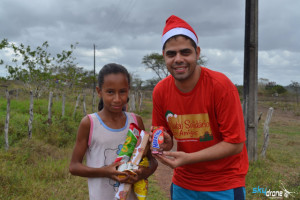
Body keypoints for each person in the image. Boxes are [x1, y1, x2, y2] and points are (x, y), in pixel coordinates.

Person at [151, 15, 249, 200]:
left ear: (197, 52)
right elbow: (165, 137)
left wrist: (188, 159)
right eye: (171, 54)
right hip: (183, 183)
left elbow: (235, 144)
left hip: (224, 183)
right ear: (163, 55)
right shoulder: (161, 91)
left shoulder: (220, 86)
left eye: (185, 52)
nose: (178, 59)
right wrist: (164, 142)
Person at [69, 63, 157, 200]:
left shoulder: (136, 121)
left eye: (122, 91)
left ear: (128, 90)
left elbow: (151, 161)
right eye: (110, 92)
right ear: (99, 91)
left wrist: (143, 173)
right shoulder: (90, 123)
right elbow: (74, 167)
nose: (117, 99)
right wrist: (105, 172)